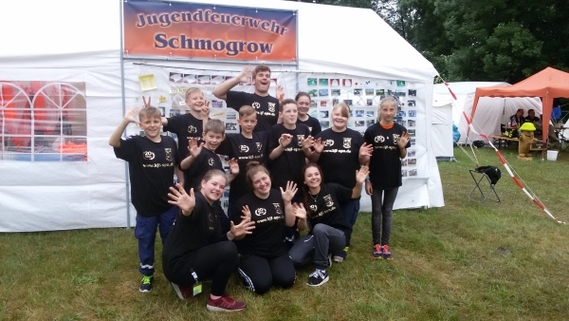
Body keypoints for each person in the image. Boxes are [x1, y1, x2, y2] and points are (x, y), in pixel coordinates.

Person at [109, 106, 180, 293]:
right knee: (146, 240)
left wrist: (181, 184)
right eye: (147, 122)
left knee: (170, 240)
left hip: (168, 205)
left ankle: (173, 272)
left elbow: (177, 166)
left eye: (156, 121)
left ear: (161, 122)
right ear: (141, 124)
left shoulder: (170, 142)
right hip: (145, 206)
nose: (152, 125)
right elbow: (113, 141)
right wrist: (125, 120)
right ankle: (147, 274)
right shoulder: (135, 144)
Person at [162, 170, 255, 312]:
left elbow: (217, 240)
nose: (218, 189)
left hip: (188, 257)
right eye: (214, 184)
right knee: (229, 250)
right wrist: (187, 211)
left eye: (221, 187)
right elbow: (191, 213)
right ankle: (216, 300)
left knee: (233, 258)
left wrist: (231, 234)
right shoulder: (198, 201)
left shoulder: (214, 207)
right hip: (177, 265)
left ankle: (186, 283)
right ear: (203, 183)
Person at [289, 163, 368, 286]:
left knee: (319, 228)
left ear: (321, 176)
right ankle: (324, 254)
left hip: (338, 237)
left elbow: (354, 195)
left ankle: (321, 270)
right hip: (317, 236)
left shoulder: (332, 188)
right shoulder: (303, 199)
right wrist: (302, 219)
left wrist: (359, 183)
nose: (314, 177)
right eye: (309, 176)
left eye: (316, 174)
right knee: (294, 259)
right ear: (304, 181)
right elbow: (301, 228)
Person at [310, 102, 370, 262]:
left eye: (343, 115)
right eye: (337, 114)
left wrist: (363, 155)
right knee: (328, 219)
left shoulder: (356, 137)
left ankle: (342, 248)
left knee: (346, 220)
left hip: (349, 187)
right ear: (332, 115)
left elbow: (363, 161)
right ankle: (327, 245)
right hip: (327, 188)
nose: (339, 118)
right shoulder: (322, 136)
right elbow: (313, 160)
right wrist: (317, 152)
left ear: (348, 118)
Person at [232, 162, 297, 294]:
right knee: (262, 286)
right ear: (252, 185)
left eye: (264, 178)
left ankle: (271, 268)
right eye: (257, 182)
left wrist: (287, 202)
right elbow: (239, 236)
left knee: (286, 280)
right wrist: (245, 224)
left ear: (269, 177)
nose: (262, 184)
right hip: (253, 252)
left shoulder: (280, 195)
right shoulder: (243, 204)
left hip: (277, 250)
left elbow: (290, 224)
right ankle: (241, 266)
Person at [362, 96, 410, 260]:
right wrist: (367, 178)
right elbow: (366, 157)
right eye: (385, 109)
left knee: (387, 211)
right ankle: (376, 243)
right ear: (380, 110)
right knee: (376, 211)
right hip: (375, 178)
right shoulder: (371, 131)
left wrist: (402, 147)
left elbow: (403, 156)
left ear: (396, 110)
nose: (388, 113)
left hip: (393, 177)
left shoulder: (401, 130)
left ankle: (385, 244)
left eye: (391, 109)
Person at [216, 105, 270, 217]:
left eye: (252, 121)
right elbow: (211, 143)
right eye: (246, 121)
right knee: (237, 223)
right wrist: (205, 117)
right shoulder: (232, 139)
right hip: (238, 192)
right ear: (239, 121)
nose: (249, 124)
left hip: (259, 191)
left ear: (256, 122)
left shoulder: (263, 137)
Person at [155, 88, 208, 186]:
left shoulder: (210, 122)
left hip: (206, 170)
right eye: (195, 98)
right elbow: (162, 121)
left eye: (201, 98)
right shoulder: (181, 120)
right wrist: (150, 113)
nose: (199, 100)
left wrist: (205, 117)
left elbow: (209, 138)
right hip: (186, 172)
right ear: (187, 102)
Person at [212, 65, 281, 132]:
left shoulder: (276, 102)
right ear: (253, 80)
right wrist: (238, 79)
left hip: (270, 143)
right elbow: (217, 92)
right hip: (248, 143)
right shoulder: (245, 98)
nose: (264, 78)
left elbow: (280, 126)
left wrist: (281, 103)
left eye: (267, 76)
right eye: (261, 75)